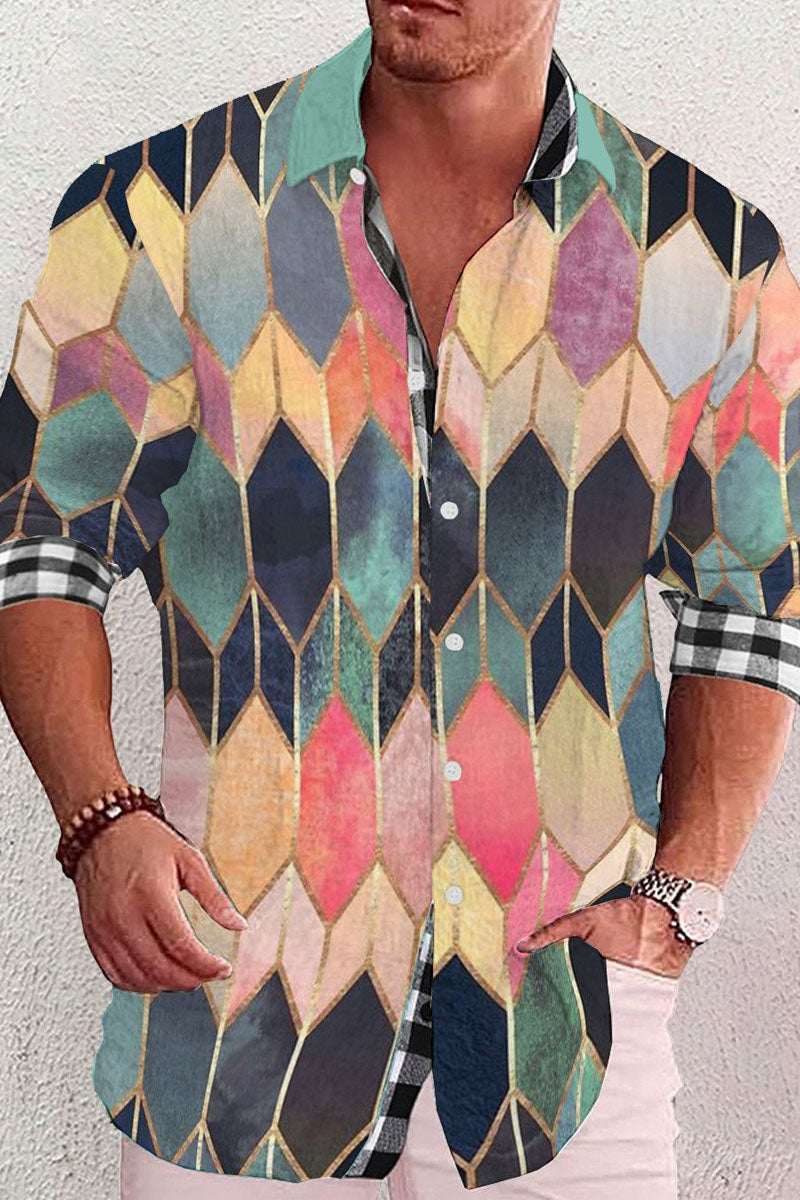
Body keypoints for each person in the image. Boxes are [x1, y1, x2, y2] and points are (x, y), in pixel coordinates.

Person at [0, 0, 798, 1197]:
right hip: (236, 1014)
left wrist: (679, 901)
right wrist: (97, 820)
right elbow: (38, 544)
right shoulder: (159, 211)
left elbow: (750, 603)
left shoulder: (709, 254)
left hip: (564, 1033)